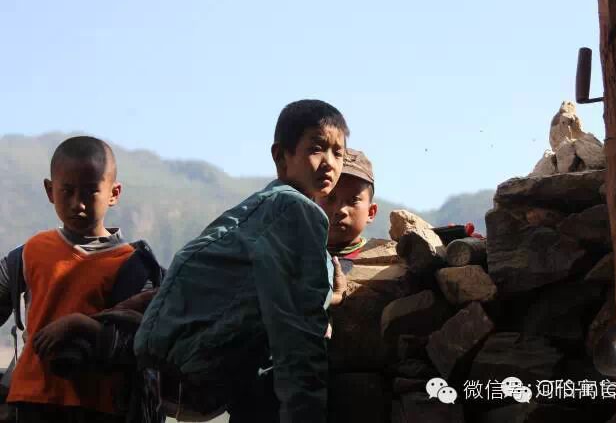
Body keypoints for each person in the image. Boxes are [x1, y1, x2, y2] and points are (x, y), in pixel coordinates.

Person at [134, 99, 350, 423]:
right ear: (281, 157)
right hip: (203, 370)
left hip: (170, 375)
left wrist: (331, 296)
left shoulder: (259, 207)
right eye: (317, 149)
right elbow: (296, 330)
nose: (329, 163)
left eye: (339, 153)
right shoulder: (297, 211)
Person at [0, 136, 148, 423]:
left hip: (99, 407)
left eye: (91, 192)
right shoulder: (29, 253)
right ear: (49, 190)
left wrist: (82, 326)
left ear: (114, 193)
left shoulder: (134, 266)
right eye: (67, 191)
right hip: (30, 401)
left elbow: (143, 343)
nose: (77, 204)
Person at [317, 148, 377, 259]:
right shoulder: (291, 257)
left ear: (371, 212)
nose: (340, 210)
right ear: (311, 203)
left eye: (353, 200)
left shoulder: (387, 261)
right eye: (329, 198)